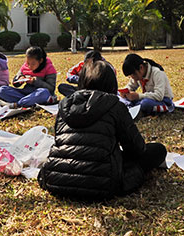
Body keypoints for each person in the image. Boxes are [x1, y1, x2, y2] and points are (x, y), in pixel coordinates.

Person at [38, 60, 167, 200]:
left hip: (56, 180)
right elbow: (136, 149)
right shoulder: (115, 106)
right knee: (158, 150)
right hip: (105, 183)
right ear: (112, 84)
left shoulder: (64, 105)